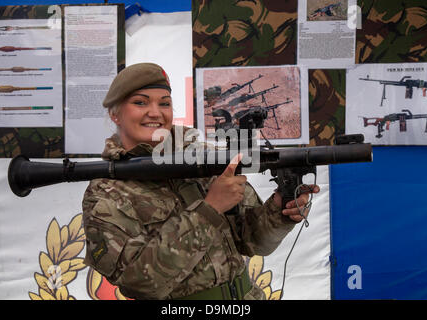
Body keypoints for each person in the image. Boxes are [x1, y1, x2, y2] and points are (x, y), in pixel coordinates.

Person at [82, 62, 320, 300]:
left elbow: (253, 242)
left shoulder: (205, 158)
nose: (155, 112)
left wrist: (279, 210)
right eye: (140, 102)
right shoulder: (107, 191)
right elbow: (140, 283)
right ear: (115, 114)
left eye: (164, 103)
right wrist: (210, 209)